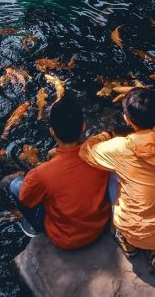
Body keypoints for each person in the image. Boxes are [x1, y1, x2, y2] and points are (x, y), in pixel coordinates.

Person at [79, 87, 155, 274]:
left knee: (112, 173)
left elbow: (86, 152)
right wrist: (153, 104)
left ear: (126, 119)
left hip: (134, 230)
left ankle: (125, 240)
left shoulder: (120, 148)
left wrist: (107, 135)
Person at [7, 95, 111, 249]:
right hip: (101, 225)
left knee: (16, 185)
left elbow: (26, 200)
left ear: (52, 132)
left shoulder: (41, 173)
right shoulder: (100, 152)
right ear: (83, 126)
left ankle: (36, 228)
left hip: (66, 239)